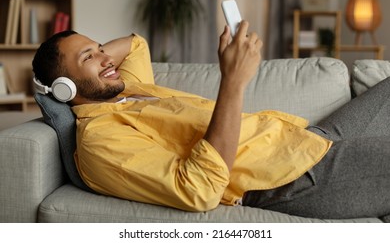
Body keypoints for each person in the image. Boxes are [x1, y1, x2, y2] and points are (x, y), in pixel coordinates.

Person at [32, 21, 390, 221]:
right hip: (289, 178)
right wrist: (232, 81)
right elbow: (198, 190)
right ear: (64, 89)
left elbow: (136, 44)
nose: (106, 58)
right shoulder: (100, 141)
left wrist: (96, 58)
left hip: (302, 138)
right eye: (89, 57)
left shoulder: (127, 87)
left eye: (101, 49)